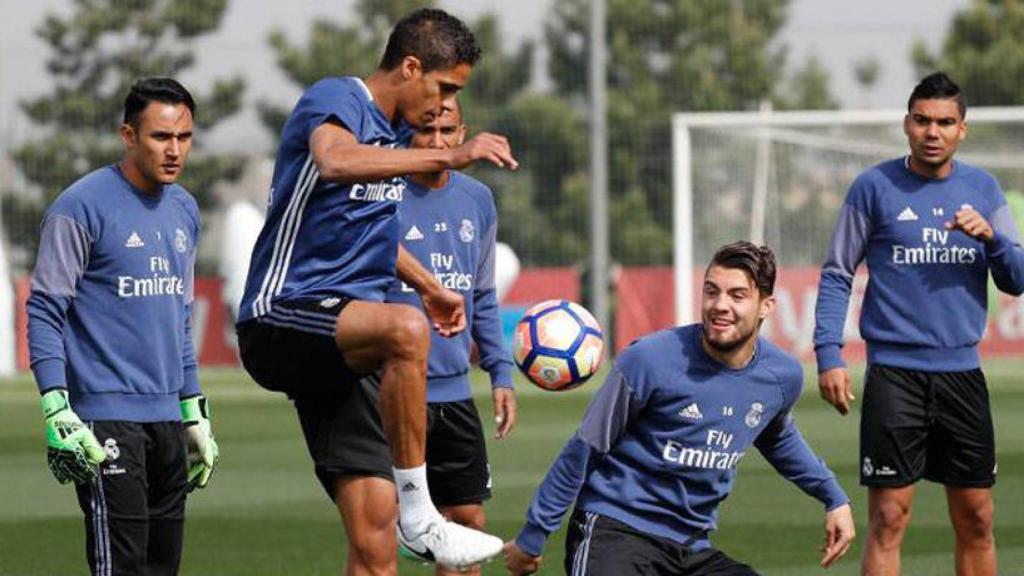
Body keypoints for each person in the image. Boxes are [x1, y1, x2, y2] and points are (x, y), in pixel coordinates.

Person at [235, 8, 518, 573]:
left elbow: (375, 234)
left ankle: (404, 516)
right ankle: (423, 513)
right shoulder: (338, 98)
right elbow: (334, 160)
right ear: (410, 67)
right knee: (405, 328)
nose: (443, 105)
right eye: (443, 87)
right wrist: (448, 154)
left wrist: (430, 286)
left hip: (343, 347)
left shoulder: (390, 140)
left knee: (373, 540)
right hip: (282, 315)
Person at [505, 241, 856, 576]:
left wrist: (833, 497)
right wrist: (534, 535)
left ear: (766, 306)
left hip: (690, 546)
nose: (720, 305)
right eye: (711, 291)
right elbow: (585, 448)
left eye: (737, 295)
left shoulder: (781, 376)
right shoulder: (649, 359)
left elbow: (777, 436)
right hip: (616, 531)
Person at [814, 72, 1024, 576]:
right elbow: (838, 272)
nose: (934, 131)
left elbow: (1016, 280)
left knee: (976, 517)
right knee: (889, 517)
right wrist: (828, 353)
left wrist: (992, 238)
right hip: (894, 376)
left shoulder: (983, 188)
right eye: (923, 120)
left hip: (962, 376)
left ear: (962, 130)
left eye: (945, 122)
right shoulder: (873, 187)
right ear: (907, 124)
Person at [27, 77, 218, 576]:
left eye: (184, 137)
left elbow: (177, 316)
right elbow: (45, 309)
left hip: (166, 421)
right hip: (104, 420)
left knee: (162, 568)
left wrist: (192, 408)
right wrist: (55, 406)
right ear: (128, 136)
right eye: (160, 137)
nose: (175, 150)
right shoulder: (79, 207)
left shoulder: (185, 209)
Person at [385, 102, 517, 576]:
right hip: (394, 391)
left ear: (461, 132)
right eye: (426, 130)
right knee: (381, 533)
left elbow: (482, 292)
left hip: (455, 392)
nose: (437, 141)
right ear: (405, 134)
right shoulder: (384, 197)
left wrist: (501, 372)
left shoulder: (478, 199)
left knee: (468, 526)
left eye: (447, 130)